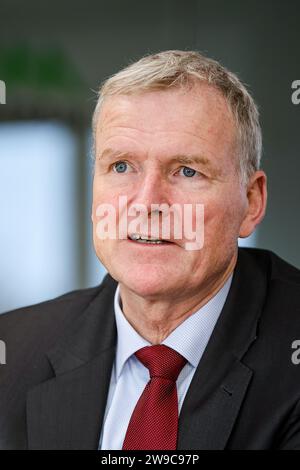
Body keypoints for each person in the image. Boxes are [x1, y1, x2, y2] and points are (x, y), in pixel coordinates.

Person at [0, 50, 300, 450]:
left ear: (251, 202)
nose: (145, 203)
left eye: (187, 171)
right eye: (122, 166)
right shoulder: (13, 350)